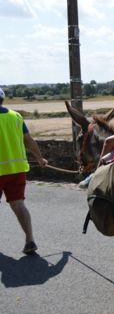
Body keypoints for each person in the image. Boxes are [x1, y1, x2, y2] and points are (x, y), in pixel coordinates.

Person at [0, 87, 48, 255]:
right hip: (17, 170)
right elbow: (29, 140)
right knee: (19, 205)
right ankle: (30, 239)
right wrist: (40, 158)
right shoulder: (16, 117)